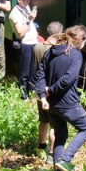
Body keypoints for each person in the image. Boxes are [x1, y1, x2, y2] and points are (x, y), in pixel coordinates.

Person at [35, 25, 86, 171]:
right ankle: (65, 160)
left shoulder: (51, 51)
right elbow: (68, 79)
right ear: (81, 40)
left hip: (51, 104)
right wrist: (52, 89)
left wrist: (43, 95)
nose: (84, 45)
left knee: (60, 136)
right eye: (85, 42)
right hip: (68, 103)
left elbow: (39, 75)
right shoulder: (75, 55)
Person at [31, 21, 64, 162]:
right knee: (55, 124)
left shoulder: (37, 47)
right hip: (52, 92)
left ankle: (41, 145)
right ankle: (51, 153)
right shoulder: (59, 50)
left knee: (43, 120)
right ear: (60, 34)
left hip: (39, 90)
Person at [9, 0, 39, 99]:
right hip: (25, 44)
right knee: (24, 72)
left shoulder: (26, 8)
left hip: (33, 43)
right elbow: (20, 32)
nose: (28, 1)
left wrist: (31, 17)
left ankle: (32, 94)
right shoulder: (14, 13)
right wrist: (28, 19)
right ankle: (23, 96)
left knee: (33, 71)